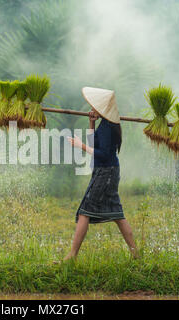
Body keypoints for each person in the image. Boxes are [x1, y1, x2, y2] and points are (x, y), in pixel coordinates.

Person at [65, 87, 138, 260]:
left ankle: (71, 257)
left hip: (106, 173)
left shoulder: (107, 127)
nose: (92, 109)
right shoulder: (105, 124)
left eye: (95, 107)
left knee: (85, 211)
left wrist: (80, 145)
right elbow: (94, 144)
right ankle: (136, 256)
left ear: (103, 109)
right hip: (107, 171)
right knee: (117, 214)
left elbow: (102, 154)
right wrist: (91, 124)